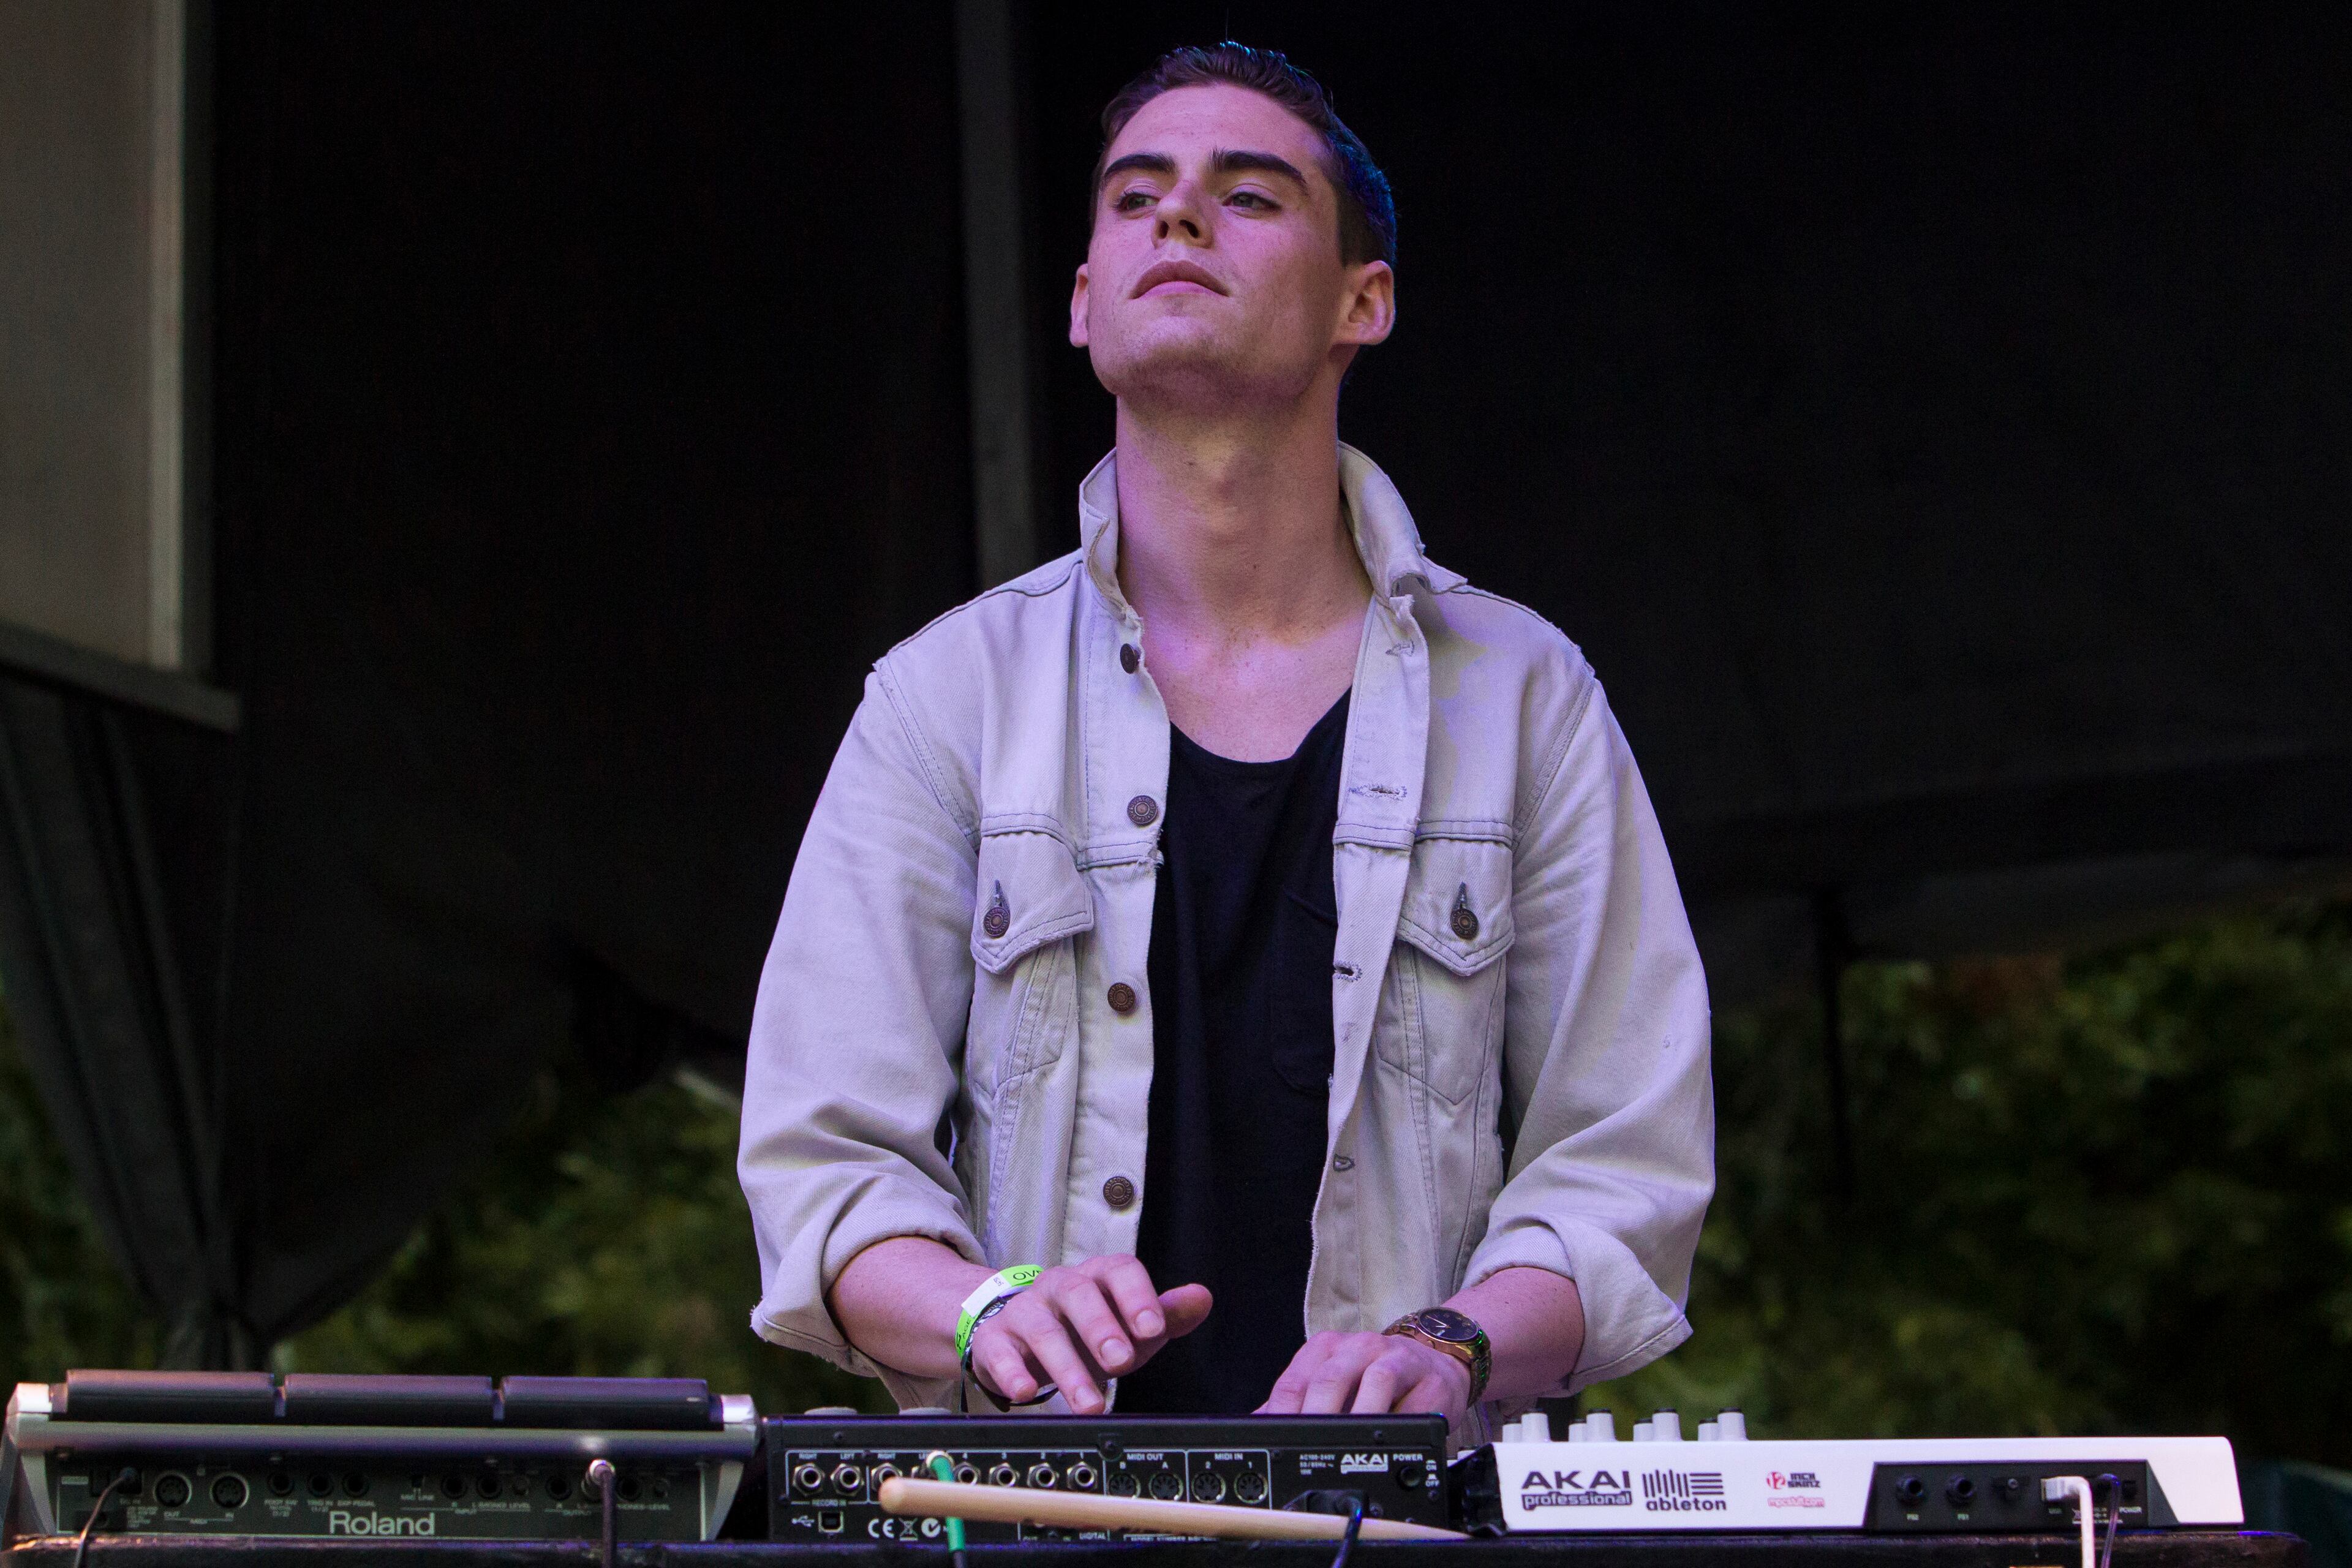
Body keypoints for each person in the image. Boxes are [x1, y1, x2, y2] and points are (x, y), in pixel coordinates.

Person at [738, 43, 1713, 1432]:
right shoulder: (941, 695)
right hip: (1032, 1510)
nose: (1178, 216)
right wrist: (986, 1307)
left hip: (1408, 1524)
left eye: (1248, 196)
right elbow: (823, 1166)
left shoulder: (1525, 694)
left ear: (1361, 303)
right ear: (1082, 304)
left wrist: (1448, 1346)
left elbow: (1624, 1166)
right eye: (1136, 198)